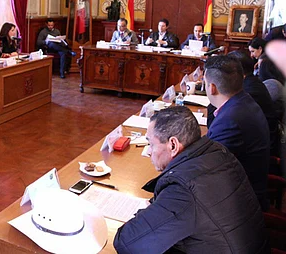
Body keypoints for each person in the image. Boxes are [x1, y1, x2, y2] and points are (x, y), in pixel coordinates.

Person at [113, 106, 268, 253]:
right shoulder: (218, 152)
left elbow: (127, 243)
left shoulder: (183, 190)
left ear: (173, 145)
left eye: (151, 144)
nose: (148, 151)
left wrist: (147, 212)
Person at [204, 55, 270, 211]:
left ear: (212, 88)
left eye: (204, 83)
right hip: (246, 187)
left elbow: (206, 169)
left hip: (241, 204)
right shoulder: (242, 101)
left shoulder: (230, 121)